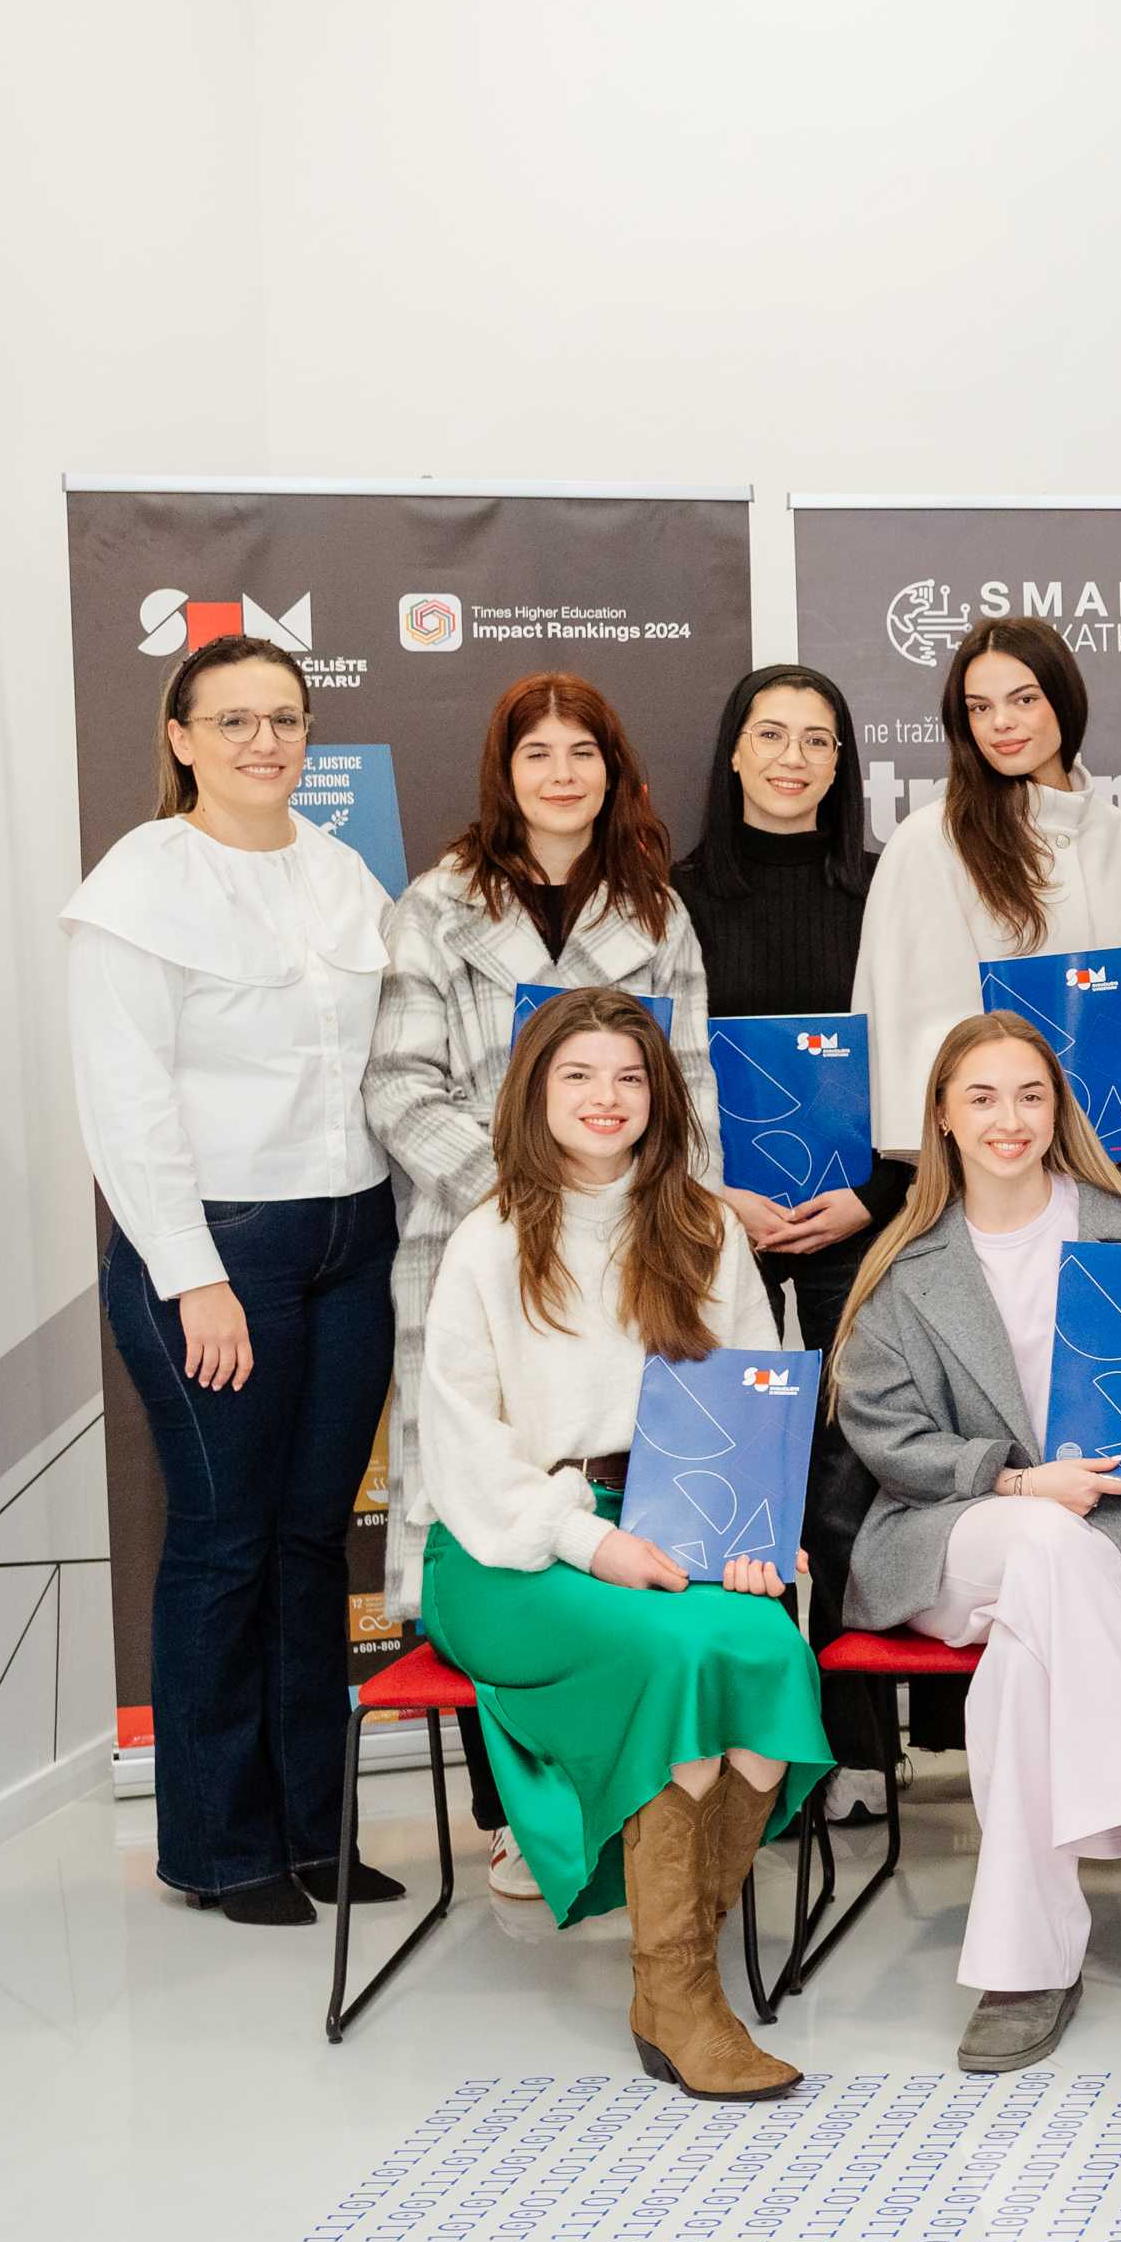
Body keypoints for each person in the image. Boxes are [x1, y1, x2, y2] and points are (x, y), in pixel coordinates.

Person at [408, 988, 833, 2100]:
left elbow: (749, 1401)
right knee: (677, 1656)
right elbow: (463, 1451)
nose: (607, 1097)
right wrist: (588, 1542)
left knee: (769, 1648)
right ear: (534, 1092)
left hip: (676, 1525)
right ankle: (685, 1998)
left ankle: (669, 1981)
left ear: (660, 1095)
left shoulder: (703, 1228)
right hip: (512, 1548)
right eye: (579, 1075)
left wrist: (753, 1534)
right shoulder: (488, 1240)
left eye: (630, 1076)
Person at [827, 1015, 1121, 2070]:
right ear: (942, 1116)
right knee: (1040, 1540)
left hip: (1115, 1537)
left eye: (1030, 1094)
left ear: (1059, 1108)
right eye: (981, 1096)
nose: (1008, 1119)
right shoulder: (904, 1266)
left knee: (1029, 1647)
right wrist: (1018, 1480)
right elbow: (887, 1438)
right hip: (950, 1532)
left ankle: (1025, 1968)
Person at [368, 672, 721, 1904]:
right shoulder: (435, 906)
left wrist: (671, 1214)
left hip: (633, 1243)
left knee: (627, 1491)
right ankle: (511, 1808)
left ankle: (644, 1795)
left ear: (613, 769)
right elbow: (398, 1085)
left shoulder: (656, 911)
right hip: (481, 1234)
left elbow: (689, 1086)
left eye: (584, 751)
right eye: (539, 752)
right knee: (491, 1502)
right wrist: (524, 1189)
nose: (562, 772)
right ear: (503, 771)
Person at [65, 634, 400, 1924]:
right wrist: (191, 1274)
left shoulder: (341, 872)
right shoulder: (139, 886)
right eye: (237, 720)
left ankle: (314, 1829)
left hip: (351, 1239)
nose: (268, 741)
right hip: (218, 1248)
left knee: (313, 1539)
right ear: (183, 738)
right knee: (224, 1542)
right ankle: (217, 1847)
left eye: (287, 719)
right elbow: (127, 1098)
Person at [674, 660, 923, 1805]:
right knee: (732, 1484)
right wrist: (714, 1194)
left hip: (859, 1223)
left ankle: (856, 1747)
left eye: (817, 739)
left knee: (849, 1481)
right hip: (709, 1227)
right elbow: (648, 1071)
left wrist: (876, 1191)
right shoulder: (671, 899)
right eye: (770, 734)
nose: (792, 758)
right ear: (733, 750)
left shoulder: (887, 893)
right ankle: (737, 1740)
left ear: (842, 761)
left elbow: (929, 1061)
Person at [849, 617, 1121, 1183]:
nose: (1001, 723)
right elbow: (910, 1030)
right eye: (979, 707)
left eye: (1024, 699)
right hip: (979, 1170)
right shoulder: (930, 841)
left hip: (1109, 1158)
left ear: (1065, 701)